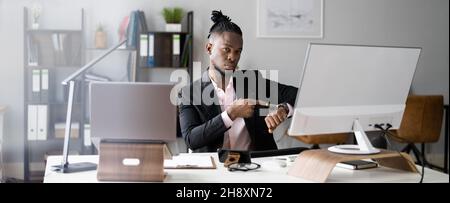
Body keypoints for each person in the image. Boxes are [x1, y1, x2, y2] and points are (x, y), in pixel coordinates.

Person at [178, 10, 298, 152]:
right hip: (215, 169)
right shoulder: (189, 93)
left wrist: (283, 109)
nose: (232, 57)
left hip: (257, 167)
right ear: (209, 48)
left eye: (237, 51)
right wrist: (230, 114)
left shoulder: (252, 81)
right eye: (226, 49)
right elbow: (191, 139)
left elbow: (297, 94)